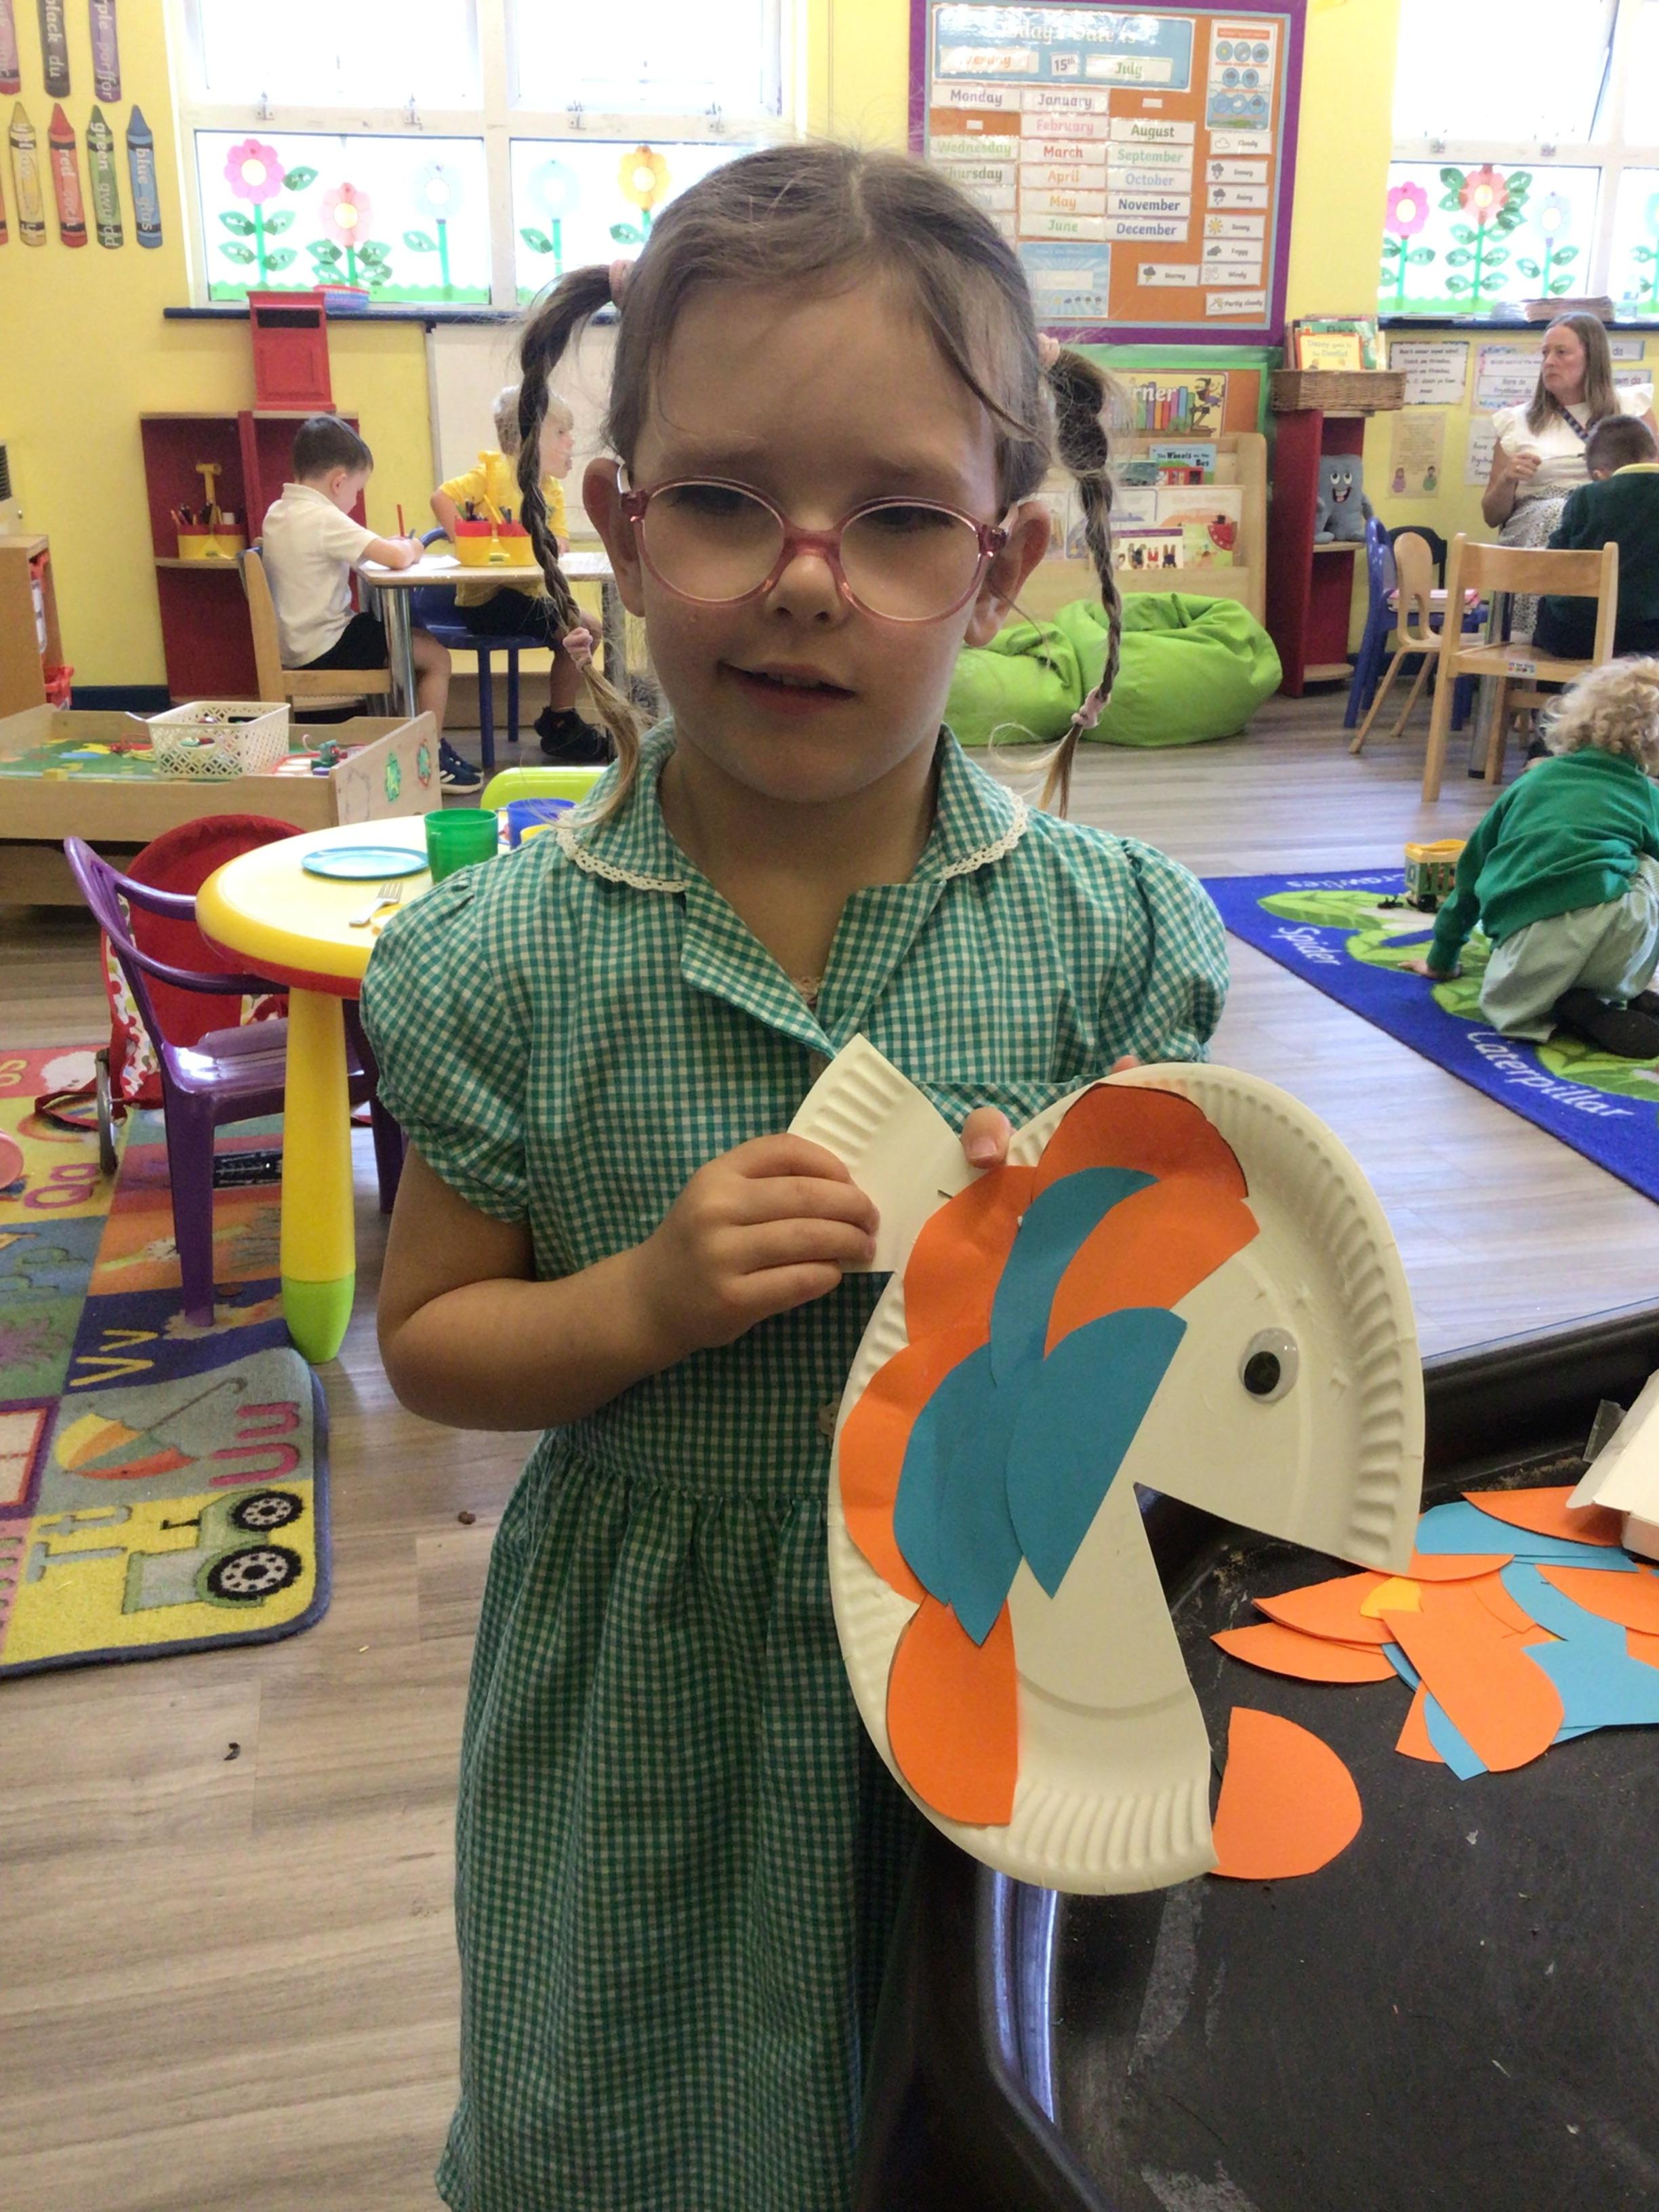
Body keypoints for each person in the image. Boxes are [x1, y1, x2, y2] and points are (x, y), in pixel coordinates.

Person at [360, 144, 1227, 2212]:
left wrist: (1070, 1269)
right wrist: (642, 1299)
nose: (806, 578)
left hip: (994, 1656)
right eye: (729, 499)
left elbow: (1193, 1341)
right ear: (621, 523)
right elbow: (434, 1342)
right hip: (654, 1702)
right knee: (632, 2131)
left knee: (977, 2124)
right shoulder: (505, 960)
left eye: (899, 517)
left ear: (1003, 569)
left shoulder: (1110, 940)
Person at [1406, 657, 1659, 1059]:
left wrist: (1442, 958)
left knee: (1513, 985)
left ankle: (1567, 1005)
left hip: (1530, 951)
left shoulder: (1528, 785)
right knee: (1646, 863)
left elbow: (1470, 876)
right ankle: (1616, 990)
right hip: (1616, 940)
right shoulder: (1645, 795)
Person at [260, 415, 475, 790]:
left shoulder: (280, 511)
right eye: (356, 491)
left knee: (401, 639)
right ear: (338, 482)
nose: (355, 500)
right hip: (327, 646)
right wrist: (414, 545)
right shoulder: (324, 517)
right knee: (435, 656)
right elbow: (396, 557)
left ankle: (410, 743)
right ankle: (427, 756)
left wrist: (388, 547)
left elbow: (359, 550)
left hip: (299, 643)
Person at [432, 384, 604, 764]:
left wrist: (555, 542)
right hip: (488, 601)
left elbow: (560, 538)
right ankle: (561, 725)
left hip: (527, 596)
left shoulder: (551, 489)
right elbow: (441, 498)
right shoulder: (493, 472)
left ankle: (561, 717)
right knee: (581, 630)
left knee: (589, 629)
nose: (571, 441)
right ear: (530, 439)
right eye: (561, 432)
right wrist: (464, 538)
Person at [1481, 314, 1656, 639]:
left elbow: (1652, 481)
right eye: (1545, 353)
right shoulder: (1517, 421)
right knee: (1558, 514)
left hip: (1611, 517)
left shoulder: (1630, 408)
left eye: (1561, 352)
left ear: (1592, 357)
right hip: (1540, 515)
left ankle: (1631, 632)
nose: (1549, 362)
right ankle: (1541, 634)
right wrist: (1508, 479)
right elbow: (1491, 516)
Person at [1532, 413, 1659, 662]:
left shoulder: (1584, 498)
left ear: (1599, 474)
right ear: (1654, 453)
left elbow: (1552, 565)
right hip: (1650, 638)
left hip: (1578, 637)